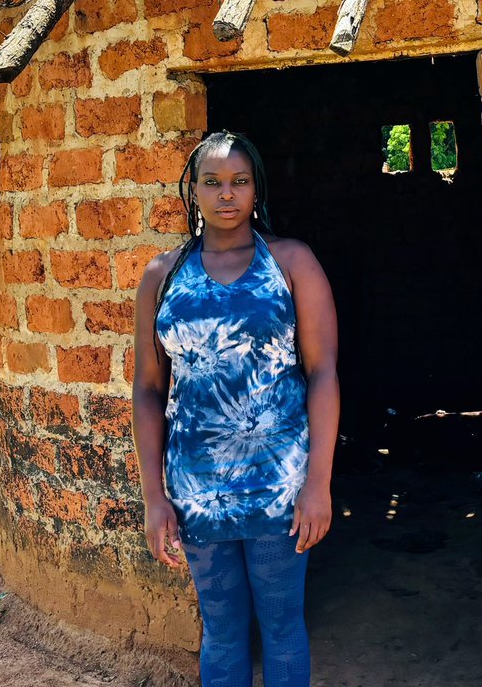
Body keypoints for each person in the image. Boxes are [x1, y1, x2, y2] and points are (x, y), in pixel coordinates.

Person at [132, 129, 340, 687]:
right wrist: (154, 498)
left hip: (281, 487)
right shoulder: (163, 275)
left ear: (256, 188)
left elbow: (322, 374)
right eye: (213, 182)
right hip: (195, 488)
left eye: (239, 182)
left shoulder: (291, 262)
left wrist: (317, 482)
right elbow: (148, 389)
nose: (227, 194)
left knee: (281, 625)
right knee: (221, 631)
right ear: (193, 190)